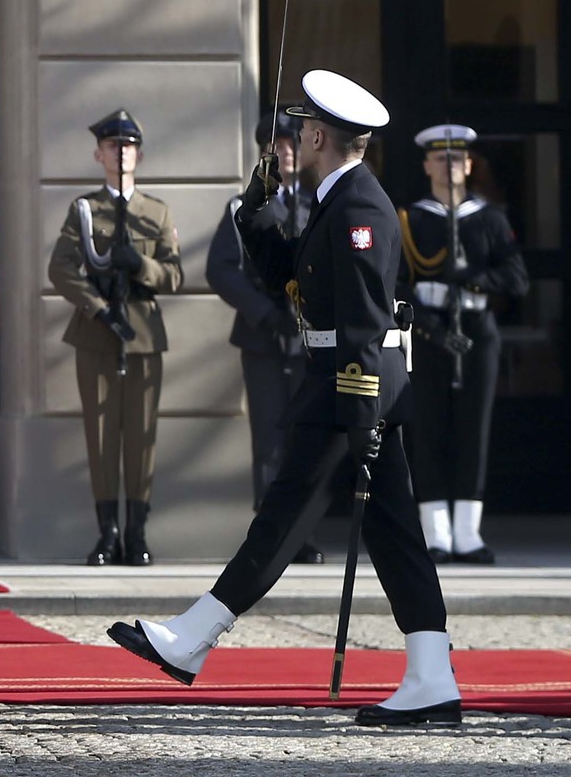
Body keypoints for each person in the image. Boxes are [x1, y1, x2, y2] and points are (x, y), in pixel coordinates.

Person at [111, 70, 462, 729]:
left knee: (280, 518)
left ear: (320, 134)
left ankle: (191, 637)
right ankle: (431, 676)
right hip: (343, 385)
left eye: (300, 130)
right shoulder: (336, 196)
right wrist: (256, 217)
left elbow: (360, 320)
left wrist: (360, 418)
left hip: (346, 390)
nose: (292, 140)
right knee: (394, 536)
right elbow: (293, 282)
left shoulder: (357, 206)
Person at [47, 109, 184, 566]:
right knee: (102, 436)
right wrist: (100, 309)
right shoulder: (85, 210)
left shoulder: (156, 212)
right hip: (97, 334)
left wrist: (140, 266)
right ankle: (107, 533)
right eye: (112, 145)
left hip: (143, 335)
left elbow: (174, 276)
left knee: (141, 438)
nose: (120, 152)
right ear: (98, 153)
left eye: (128, 146)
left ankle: (136, 532)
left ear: (139, 154)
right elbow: (61, 269)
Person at [399, 124, 530, 566]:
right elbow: (397, 283)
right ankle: (436, 532)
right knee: (430, 429)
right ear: (426, 165)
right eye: (440, 158)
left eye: (457, 158)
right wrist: (429, 325)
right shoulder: (412, 219)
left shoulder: (489, 218)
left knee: (474, 430)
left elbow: (517, 279)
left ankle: (467, 533)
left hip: (476, 328)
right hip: (429, 332)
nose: (449, 165)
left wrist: (474, 277)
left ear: (470, 165)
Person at [207, 112, 323, 564]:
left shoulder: (319, 203)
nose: (288, 152)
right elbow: (220, 269)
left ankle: (303, 532)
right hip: (263, 338)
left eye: (294, 143)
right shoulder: (245, 205)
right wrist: (263, 313)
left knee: (306, 437)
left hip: (311, 339)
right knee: (271, 437)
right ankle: (272, 533)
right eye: (278, 144)